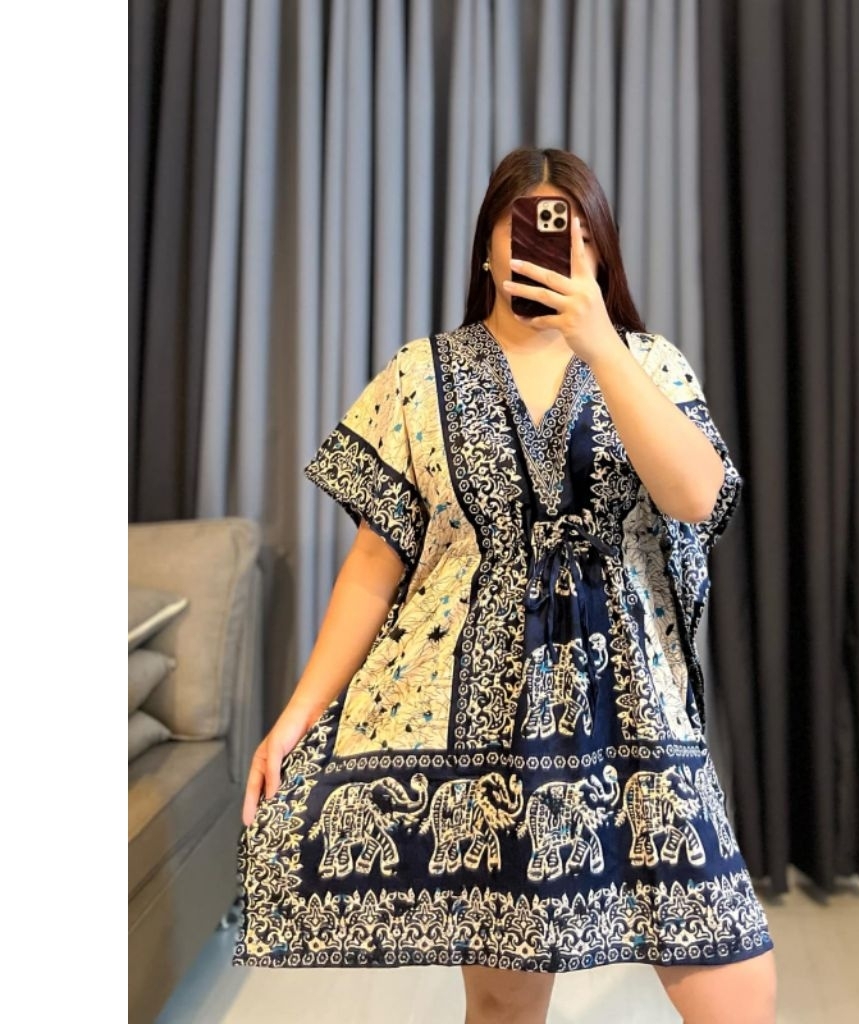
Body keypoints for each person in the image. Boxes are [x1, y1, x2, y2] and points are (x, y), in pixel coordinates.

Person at [234, 147, 777, 1024]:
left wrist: (599, 344)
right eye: (527, 228)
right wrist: (299, 711)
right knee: (502, 1003)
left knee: (739, 993)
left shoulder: (649, 362)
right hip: (480, 725)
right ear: (489, 247)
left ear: (601, 251)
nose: (553, 246)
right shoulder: (420, 374)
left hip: (637, 718)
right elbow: (376, 561)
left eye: (578, 233)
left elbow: (698, 497)